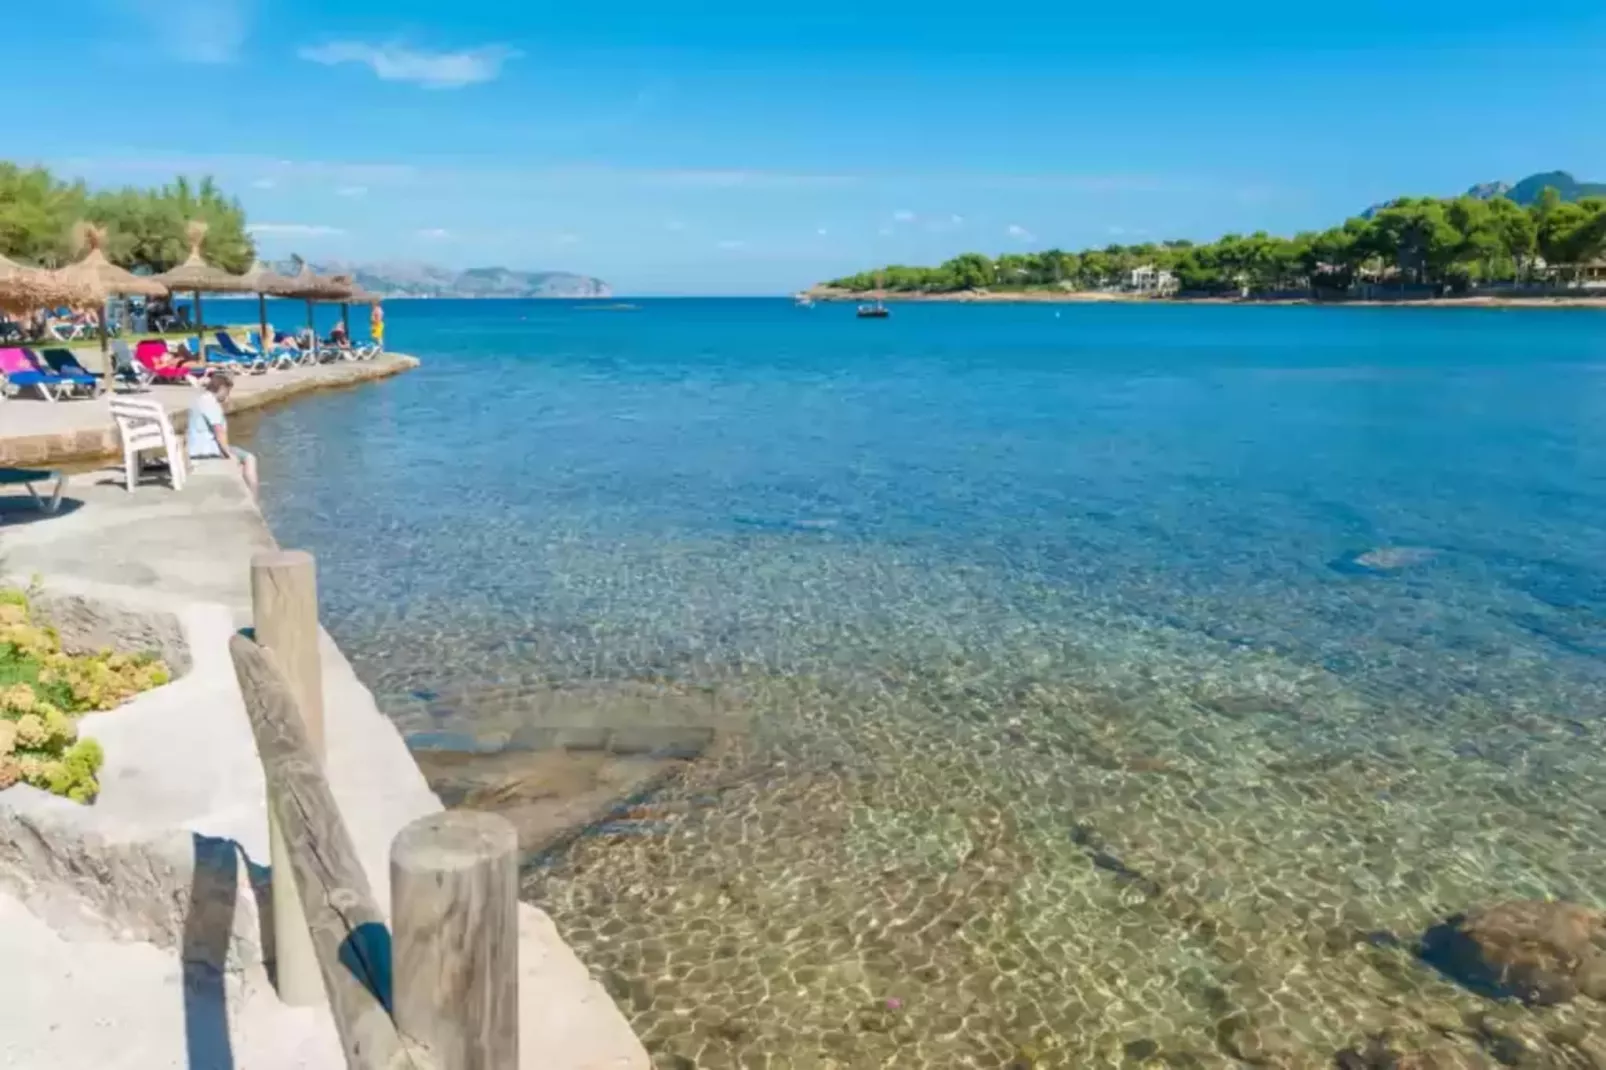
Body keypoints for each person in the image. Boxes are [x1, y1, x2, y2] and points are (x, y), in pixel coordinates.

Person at [185, 371, 259, 496]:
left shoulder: (200, 399)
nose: (227, 396)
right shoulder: (210, 403)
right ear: (222, 389)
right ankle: (254, 497)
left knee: (241, 463)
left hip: (196, 448)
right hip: (207, 450)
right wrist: (229, 454)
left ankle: (244, 494)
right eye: (228, 392)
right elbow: (219, 432)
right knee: (249, 458)